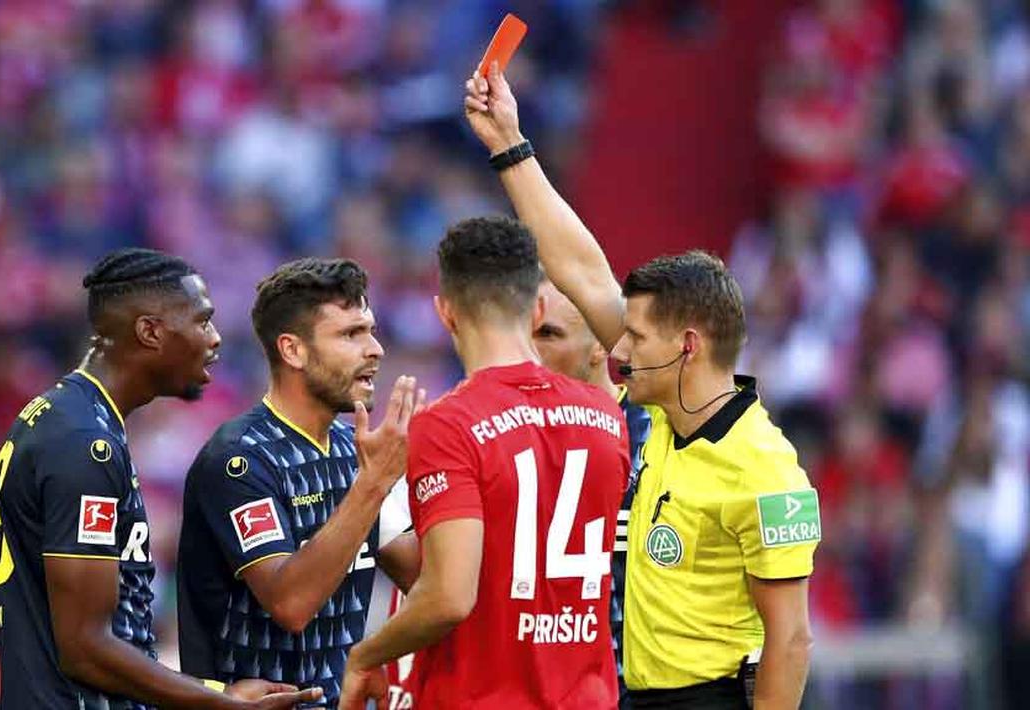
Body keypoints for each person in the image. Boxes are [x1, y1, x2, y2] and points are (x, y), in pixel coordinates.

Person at [464, 65, 820, 709]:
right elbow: (580, 269)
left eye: (636, 338)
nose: (617, 351)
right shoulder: (661, 418)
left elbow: (791, 641)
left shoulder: (766, 470)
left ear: (688, 346)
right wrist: (508, 145)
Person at [0, 248, 322, 709]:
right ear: (150, 331)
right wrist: (220, 704)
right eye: (202, 321)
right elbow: (85, 648)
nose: (216, 339)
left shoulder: (66, 417)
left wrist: (214, 691)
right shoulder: (84, 443)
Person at [340, 216, 629, 708]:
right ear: (536, 309)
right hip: (589, 696)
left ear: (445, 312)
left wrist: (365, 657)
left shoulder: (448, 425)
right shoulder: (605, 414)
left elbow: (449, 597)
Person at [177, 258, 422, 708]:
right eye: (351, 334)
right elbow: (291, 602)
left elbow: (420, 574)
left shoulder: (356, 450)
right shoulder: (239, 459)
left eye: (370, 329)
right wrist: (374, 484)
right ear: (293, 351)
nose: (376, 349)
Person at [533, 277, 652, 708]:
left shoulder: (656, 429)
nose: (531, 353)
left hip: (649, 690)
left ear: (601, 345)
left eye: (548, 335)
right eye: (525, 334)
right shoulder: (506, 436)